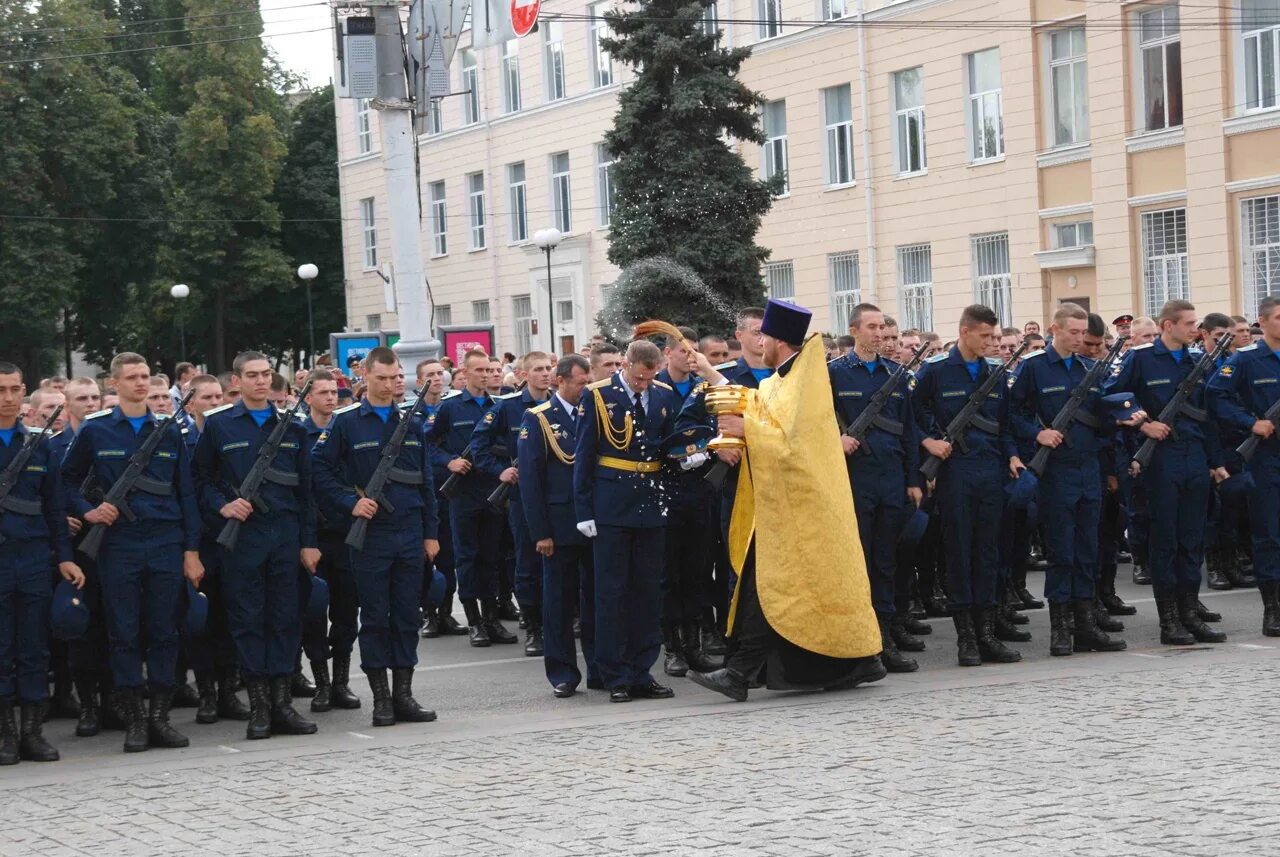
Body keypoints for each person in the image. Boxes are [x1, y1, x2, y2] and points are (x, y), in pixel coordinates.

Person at [689, 300, 885, 701]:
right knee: (782, 587)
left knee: (768, 586)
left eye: (763, 335)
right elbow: (759, 405)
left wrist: (746, 427)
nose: (758, 341)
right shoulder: (781, 378)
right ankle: (860, 660)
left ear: (778, 340)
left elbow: (788, 441)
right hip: (783, 505)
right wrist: (711, 374)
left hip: (803, 507)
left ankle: (741, 673)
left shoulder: (805, 381)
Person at [60, 353, 204, 753]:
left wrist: (191, 550)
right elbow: (66, 480)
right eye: (133, 378)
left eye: (145, 377)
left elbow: (186, 494)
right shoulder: (96, 431)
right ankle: (135, 721)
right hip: (118, 544)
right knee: (123, 633)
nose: (141, 384)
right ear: (115, 384)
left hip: (164, 541)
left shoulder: (169, 431)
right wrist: (88, 510)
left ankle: (159, 718)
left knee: (163, 631)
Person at [192, 351, 318, 740]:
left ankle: (282, 705)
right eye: (252, 375)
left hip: (285, 535)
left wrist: (309, 543)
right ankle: (260, 707)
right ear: (237, 381)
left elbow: (307, 491)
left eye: (266, 374)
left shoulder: (293, 428)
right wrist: (223, 505)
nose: (261, 381)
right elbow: (199, 480)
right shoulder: (219, 427)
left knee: (285, 619)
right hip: (242, 539)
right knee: (248, 622)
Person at [312, 347, 441, 727]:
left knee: (405, 616)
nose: (389, 385)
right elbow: (319, 471)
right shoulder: (346, 422)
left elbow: (426, 482)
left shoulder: (412, 422)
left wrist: (430, 534)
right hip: (371, 536)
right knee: (374, 618)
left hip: (409, 531)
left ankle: (404, 694)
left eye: (395, 377)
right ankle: (381, 699)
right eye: (381, 378)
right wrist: (349, 503)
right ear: (365, 376)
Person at [1009, 303, 1132, 657]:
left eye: (1083, 333)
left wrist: (1120, 420)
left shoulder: (1090, 369)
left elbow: (1102, 420)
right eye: (1073, 332)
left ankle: (1085, 624)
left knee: (1087, 550)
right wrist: (1037, 434)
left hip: (1088, 467)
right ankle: (1060, 628)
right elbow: (1012, 416)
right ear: (1054, 329)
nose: (1080, 339)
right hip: (1056, 471)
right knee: (1062, 551)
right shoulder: (1034, 369)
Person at [1107, 300, 1228, 646]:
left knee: (1192, 540)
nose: (1196, 329)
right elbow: (1113, 396)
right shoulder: (1141, 358)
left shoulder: (1196, 361)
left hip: (1194, 456)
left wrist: (1216, 462)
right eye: (1189, 323)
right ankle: (1169, 620)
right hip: (1161, 458)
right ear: (1167, 325)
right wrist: (1143, 423)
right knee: (1166, 541)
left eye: (1196, 323)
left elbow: (1209, 417)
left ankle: (1191, 612)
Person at [912, 305, 1024, 667]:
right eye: (985, 336)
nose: (992, 343)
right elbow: (910, 418)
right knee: (960, 551)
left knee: (989, 553)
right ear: (964, 332)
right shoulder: (936, 372)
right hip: (955, 470)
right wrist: (928, 442)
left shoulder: (995, 374)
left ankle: (988, 633)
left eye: (995, 337)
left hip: (990, 470)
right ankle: (967, 639)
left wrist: (1011, 455)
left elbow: (1004, 425)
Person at [574, 340, 681, 703]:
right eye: (637, 378)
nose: (643, 385)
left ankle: (641, 670)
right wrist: (584, 511)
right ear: (626, 365)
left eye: (649, 379)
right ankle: (614, 673)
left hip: (650, 504)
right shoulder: (598, 395)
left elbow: (669, 446)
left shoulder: (663, 394)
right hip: (611, 505)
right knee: (611, 594)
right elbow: (585, 455)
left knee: (647, 593)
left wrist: (687, 457)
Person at [829, 303, 923, 673]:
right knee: (859, 563)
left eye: (883, 326)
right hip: (854, 480)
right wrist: (837, 437)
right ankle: (859, 644)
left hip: (892, 479)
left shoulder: (896, 375)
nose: (880, 333)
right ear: (855, 331)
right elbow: (818, 423)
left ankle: (884, 640)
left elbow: (911, 431)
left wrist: (914, 479)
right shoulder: (834, 374)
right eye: (872, 327)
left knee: (886, 562)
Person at [0, 362, 85, 765]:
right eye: (1, 390)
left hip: (34, 559)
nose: (9, 398)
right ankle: (5, 736)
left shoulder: (40, 444)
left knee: (34, 649)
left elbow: (54, 509)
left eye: (15, 389)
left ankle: (31, 733)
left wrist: (64, 558)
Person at [519, 354, 600, 697]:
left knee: (597, 601)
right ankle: (563, 673)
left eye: (588, 382)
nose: (586, 389)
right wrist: (541, 533)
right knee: (559, 603)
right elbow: (531, 481)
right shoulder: (537, 419)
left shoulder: (595, 413)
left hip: (594, 523)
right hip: (559, 525)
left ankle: (601, 668)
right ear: (561, 381)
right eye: (582, 383)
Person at [427, 350, 515, 647]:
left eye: (490, 369)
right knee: (467, 556)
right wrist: (449, 461)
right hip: (462, 490)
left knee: (491, 555)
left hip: (492, 488)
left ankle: (491, 618)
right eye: (479, 370)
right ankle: (473, 619)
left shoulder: (500, 406)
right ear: (465, 372)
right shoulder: (450, 407)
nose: (486, 375)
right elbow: (428, 444)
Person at [472, 352, 555, 656]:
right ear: (523, 373)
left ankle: (554, 624)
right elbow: (478, 443)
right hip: (522, 495)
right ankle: (533, 628)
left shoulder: (558, 404)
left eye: (548, 368)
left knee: (558, 563)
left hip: (556, 494)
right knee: (528, 562)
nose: (545, 374)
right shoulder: (508, 407)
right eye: (538, 369)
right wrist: (499, 471)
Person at [1208, 296, 1280, 637]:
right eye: (1279, 318)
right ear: (1262, 323)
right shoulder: (1247, 359)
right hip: (1267, 456)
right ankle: (1273, 609)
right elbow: (1215, 396)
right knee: (1269, 533)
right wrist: (1250, 423)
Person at [298, 370, 362, 713]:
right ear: (307, 398)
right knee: (312, 611)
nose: (330, 398)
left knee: (346, 611)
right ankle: (320, 682)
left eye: (334, 392)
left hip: (345, 533)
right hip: (312, 534)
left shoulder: (347, 429)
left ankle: (340, 682)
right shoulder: (297, 432)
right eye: (322, 392)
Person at [414, 359, 468, 639]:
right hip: (426, 490)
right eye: (430, 375)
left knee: (448, 554)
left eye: (439, 373)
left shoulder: (453, 407)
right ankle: (428, 613)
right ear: (418, 381)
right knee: (424, 556)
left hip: (449, 491)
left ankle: (446, 612)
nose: (436, 378)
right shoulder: (411, 414)